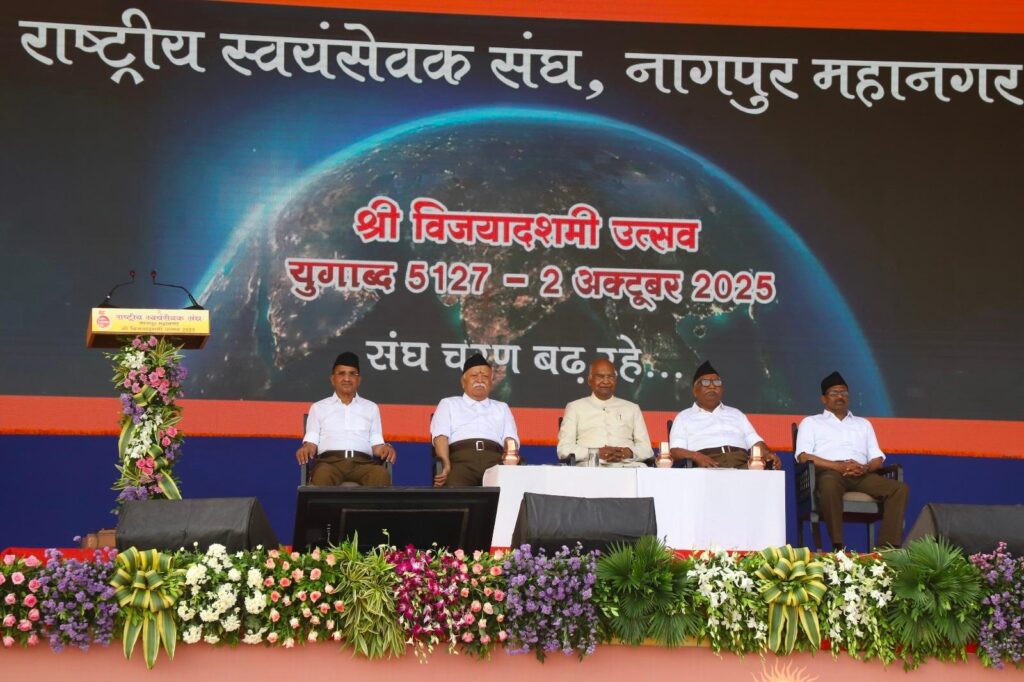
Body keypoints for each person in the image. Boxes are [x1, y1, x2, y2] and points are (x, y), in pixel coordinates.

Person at [795, 371, 909, 550]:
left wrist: (865, 468)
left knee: (899, 489)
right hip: (830, 472)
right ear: (823, 399)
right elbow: (804, 456)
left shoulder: (863, 424)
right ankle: (838, 546)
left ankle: (887, 549)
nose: (840, 397)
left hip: (861, 473)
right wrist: (837, 466)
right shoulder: (811, 422)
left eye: (844, 392)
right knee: (829, 485)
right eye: (834, 393)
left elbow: (878, 458)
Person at [295, 352, 396, 486]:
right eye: (341, 373)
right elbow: (311, 443)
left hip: (363, 464)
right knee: (322, 474)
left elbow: (377, 445)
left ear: (359, 380)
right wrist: (306, 449)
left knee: (381, 474)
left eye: (352, 374)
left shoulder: (371, 408)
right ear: (333, 379)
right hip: (329, 463)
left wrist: (386, 448)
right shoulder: (318, 408)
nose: (347, 378)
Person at [668, 360, 780, 469]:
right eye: (706, 382)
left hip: (743, 466)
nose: (712, 386)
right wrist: (697, 457)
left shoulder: (736, 414)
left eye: (717, 382)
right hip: (707, 467)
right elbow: (675, 451)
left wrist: (767, 454)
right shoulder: (684, 417)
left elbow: (754, 442)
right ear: (694, 390)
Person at [431, 353, 520, 487]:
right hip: (460, 461)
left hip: (495, 461)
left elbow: (510, 438)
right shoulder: (448, 404)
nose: (480, 380)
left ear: (491, 382)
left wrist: (510, 458)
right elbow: (440, 437)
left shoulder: (502, 407)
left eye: (485, 377)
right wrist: (446, 464)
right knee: (454, 487)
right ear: (463, 382)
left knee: (509, 488)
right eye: (474, 376)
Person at [556, 358, 653, 466]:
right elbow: (564, 450)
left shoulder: (632, 408)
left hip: (627, 467)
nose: (606, 381)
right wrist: (596, 453)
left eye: (610, 377)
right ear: (590, 380)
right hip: (589, 468)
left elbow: (647, 449)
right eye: (600, 377)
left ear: (615, 380)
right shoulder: (575, 407)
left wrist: (629, 452)